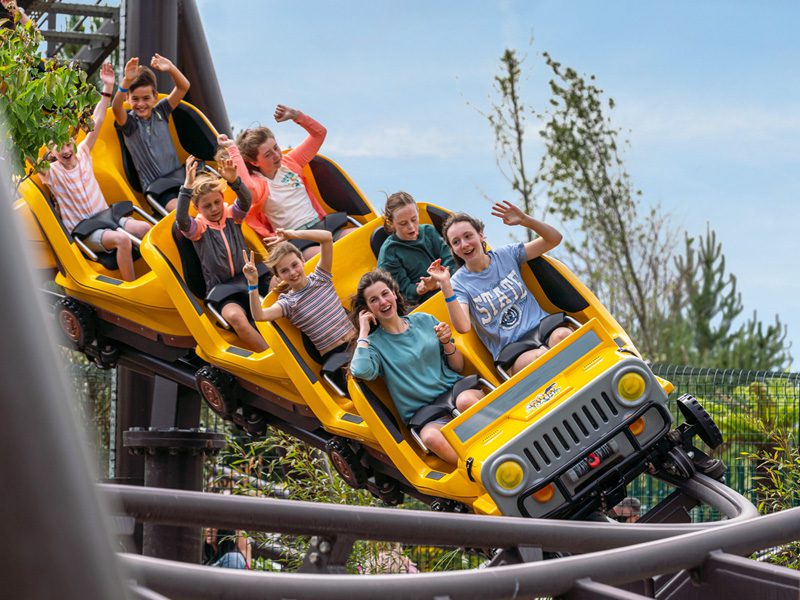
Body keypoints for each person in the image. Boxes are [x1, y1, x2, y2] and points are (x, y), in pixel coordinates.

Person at [349, 270, 484, 465]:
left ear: (394, 293)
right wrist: (363, 330)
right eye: (374, 300)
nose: (383, 302)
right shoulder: (374, 345)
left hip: (454, 391)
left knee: (465, 402)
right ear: (368, 309)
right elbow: (361, 371)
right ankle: (477, 470)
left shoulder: (424, 320)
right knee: (430, 438)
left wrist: (447, 343)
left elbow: (458, 366)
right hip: (426, 413)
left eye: (385, 293)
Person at [432, 201, 573, 376]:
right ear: (453, 249)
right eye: (456, 242)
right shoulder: (458, 283)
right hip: (513, 351)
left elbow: (554, 239)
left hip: (543, 328)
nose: (465, 244)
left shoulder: (506, 255)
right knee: (541, 357)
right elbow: (462, 326)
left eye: (468, 236)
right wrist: (445, 286)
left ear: (481, 235)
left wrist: (525, 220)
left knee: (564, 337)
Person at [39, 63, 151, 282]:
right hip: (85, 231)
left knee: (146, 227)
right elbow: (27, 152)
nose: (66, 150)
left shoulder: (83, 154)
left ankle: (159, 275)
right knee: (123, 241)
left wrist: (108, 88)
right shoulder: (51, 173)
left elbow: (98, 120)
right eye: (58, 147)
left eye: (68, 144)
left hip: (107, 217)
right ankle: (130, 289)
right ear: (51, 151)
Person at [176, 150, 267, 352]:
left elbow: (245, 200)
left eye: (217, 202)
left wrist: (235, 181)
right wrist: (187, 187)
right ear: (198, 208)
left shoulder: (231, 217)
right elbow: (181, 220)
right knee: (236, 318)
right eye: (207, 206)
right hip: (223, 290)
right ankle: (270, 353)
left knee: (282, 284)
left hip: (249, 277)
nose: (214, 208)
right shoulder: (198, 228)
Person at [230, 106, 349, 260]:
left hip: (321, 226)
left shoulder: (290, 162)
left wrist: (296, 116)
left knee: (361, 237)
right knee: (328, 255)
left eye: (276, 148)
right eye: (268, 155)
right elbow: (246, 186)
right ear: (254, 162)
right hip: (296, 241)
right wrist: (233, 150)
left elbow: (319, 134)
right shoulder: (258, 185)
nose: (276, 155)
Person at [242, 228, 355, 360]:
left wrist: (291, 234)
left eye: (295, 265)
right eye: (284, 271)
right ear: (278, 276)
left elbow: (327, 237)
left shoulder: (321, 277)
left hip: (357, 340)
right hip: (336, 355)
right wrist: (252, 282)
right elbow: (259, 315)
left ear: (302, 260)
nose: (292, 272)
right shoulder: (288, 303)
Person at [112, 54, 190, 212]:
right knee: (181, 212)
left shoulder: (161, 111)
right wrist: (126, 81)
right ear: (127, 98)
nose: (141, 104)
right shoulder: (130, 124)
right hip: (159, 190)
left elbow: (183, 87)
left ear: (155, 97)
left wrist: (170, 68)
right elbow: (116, 107)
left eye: (146, 98)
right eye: (135, 99)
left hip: (181, 178)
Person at [376, 191, 456, 305]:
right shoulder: (390, 252)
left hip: (450, 284)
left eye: (414, 219)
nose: (411, 227)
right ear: (391, 222)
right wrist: (421, 288)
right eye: (403, 223)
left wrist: (440, 280)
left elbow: (451, 259)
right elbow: (400, 293)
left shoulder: (429, 231)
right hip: (424, 302)